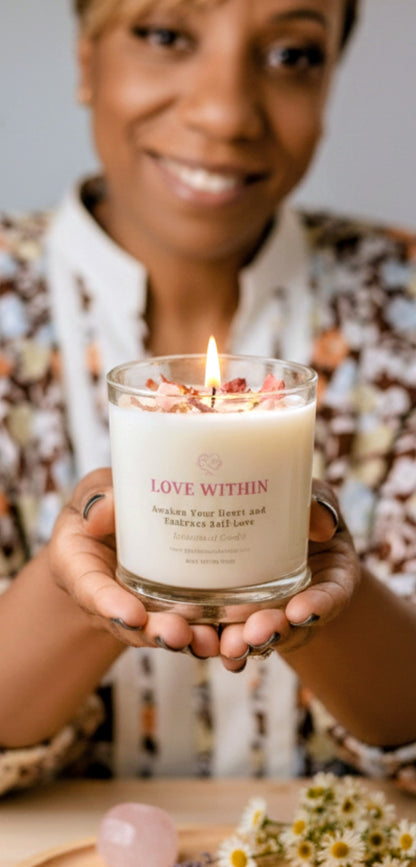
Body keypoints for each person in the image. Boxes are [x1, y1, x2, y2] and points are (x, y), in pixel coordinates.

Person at [1, 0, 416, 794]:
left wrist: (327, 597)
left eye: (292, 54)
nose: (225, 114)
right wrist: (75, 592)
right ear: (86, 61)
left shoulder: (403, 304)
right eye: (164, 35)